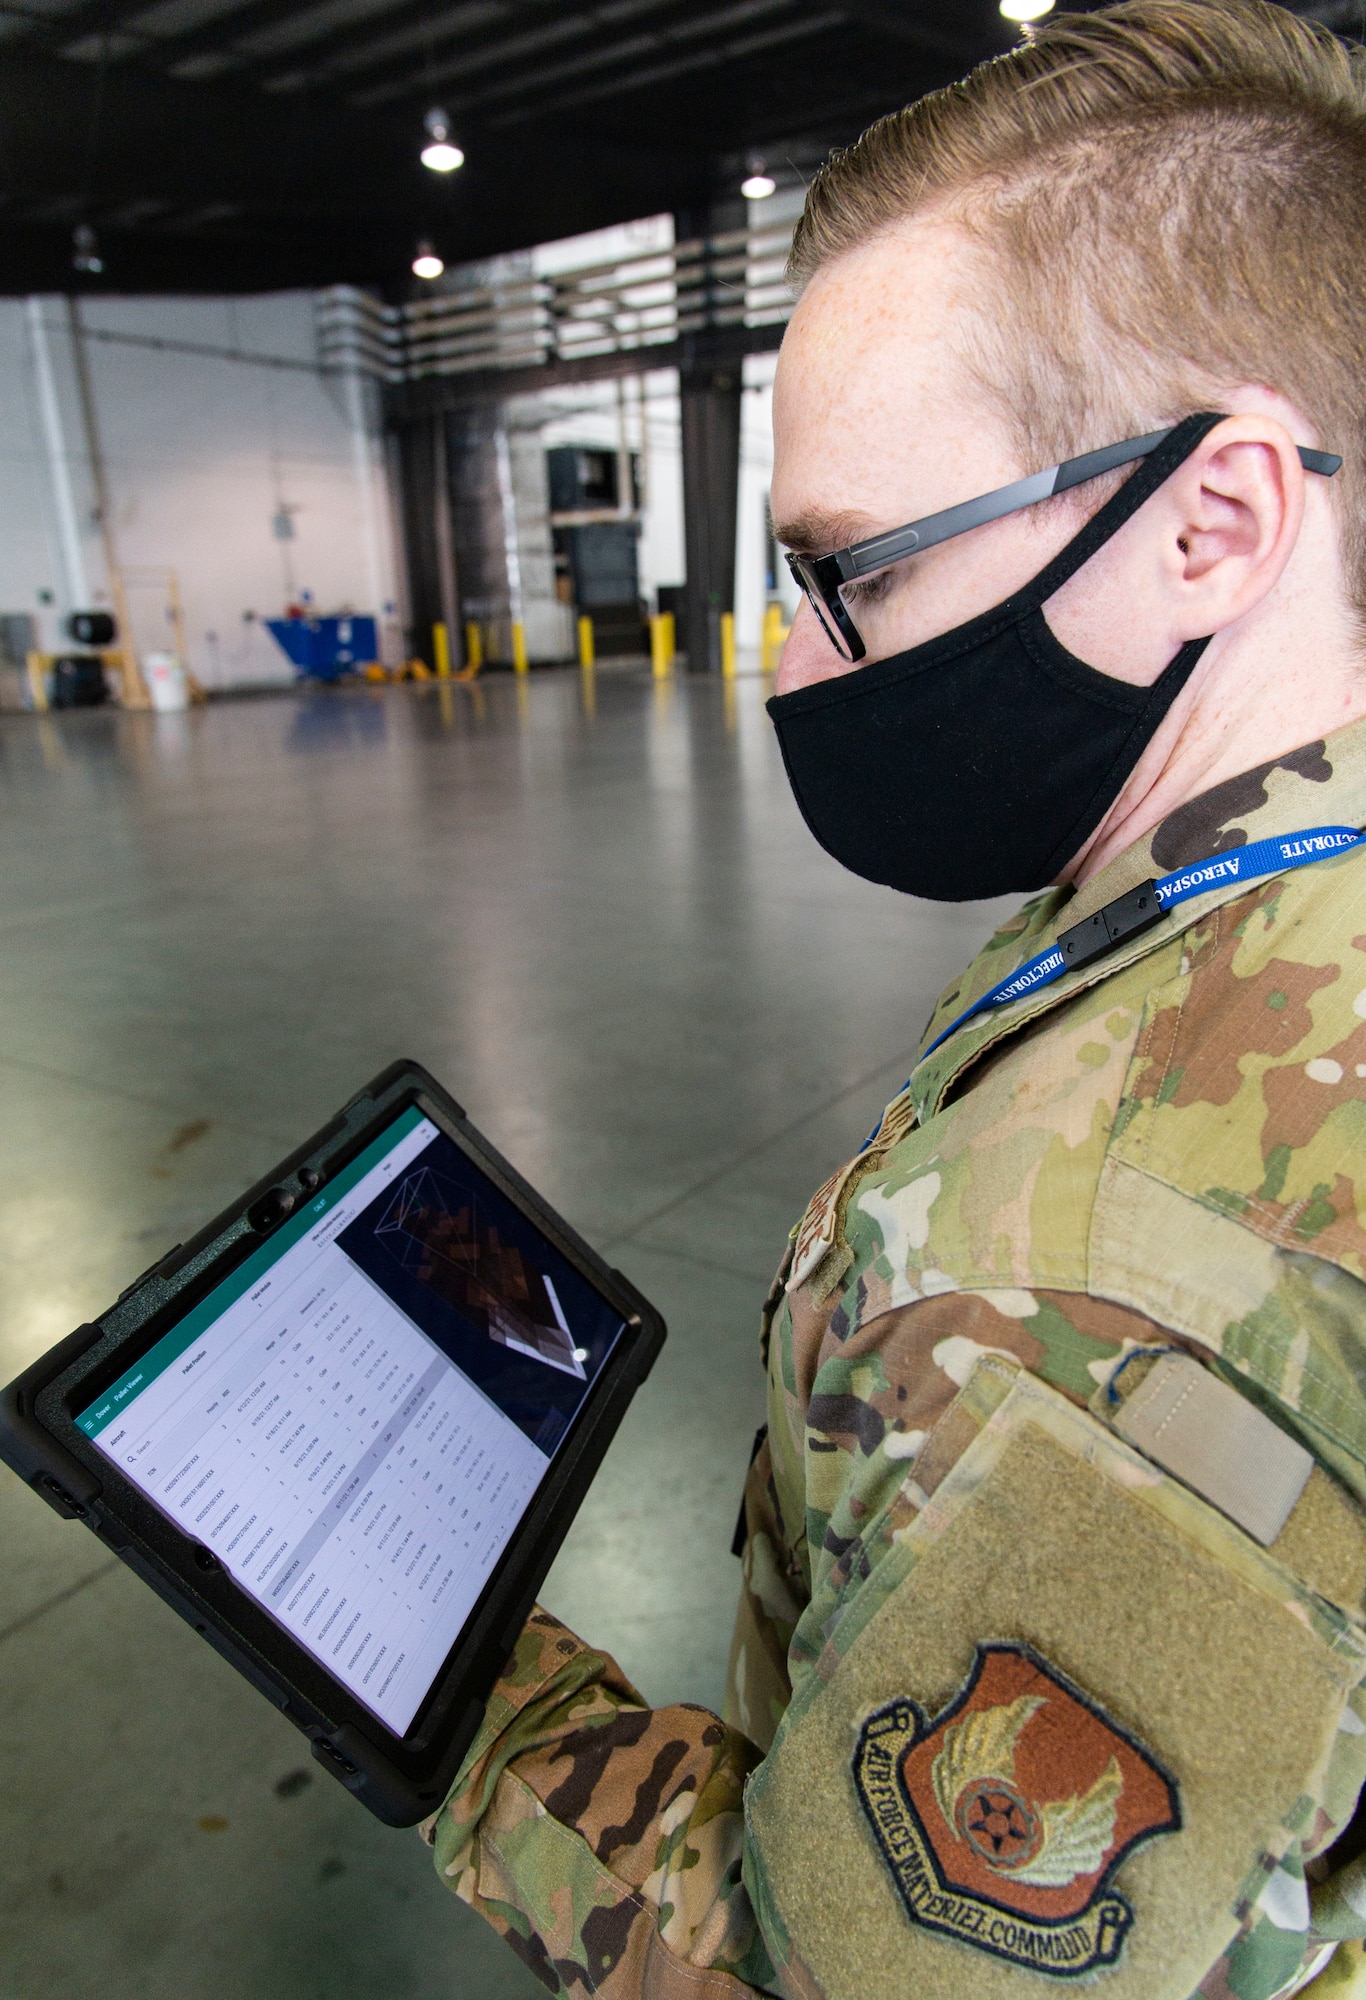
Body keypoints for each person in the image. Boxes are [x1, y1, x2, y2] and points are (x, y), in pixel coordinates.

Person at [420, 5, 1366, 1993]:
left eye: (847, 570)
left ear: (1208, 521)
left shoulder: (1097, 1283)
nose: (786, 667)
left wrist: (462, 1702)